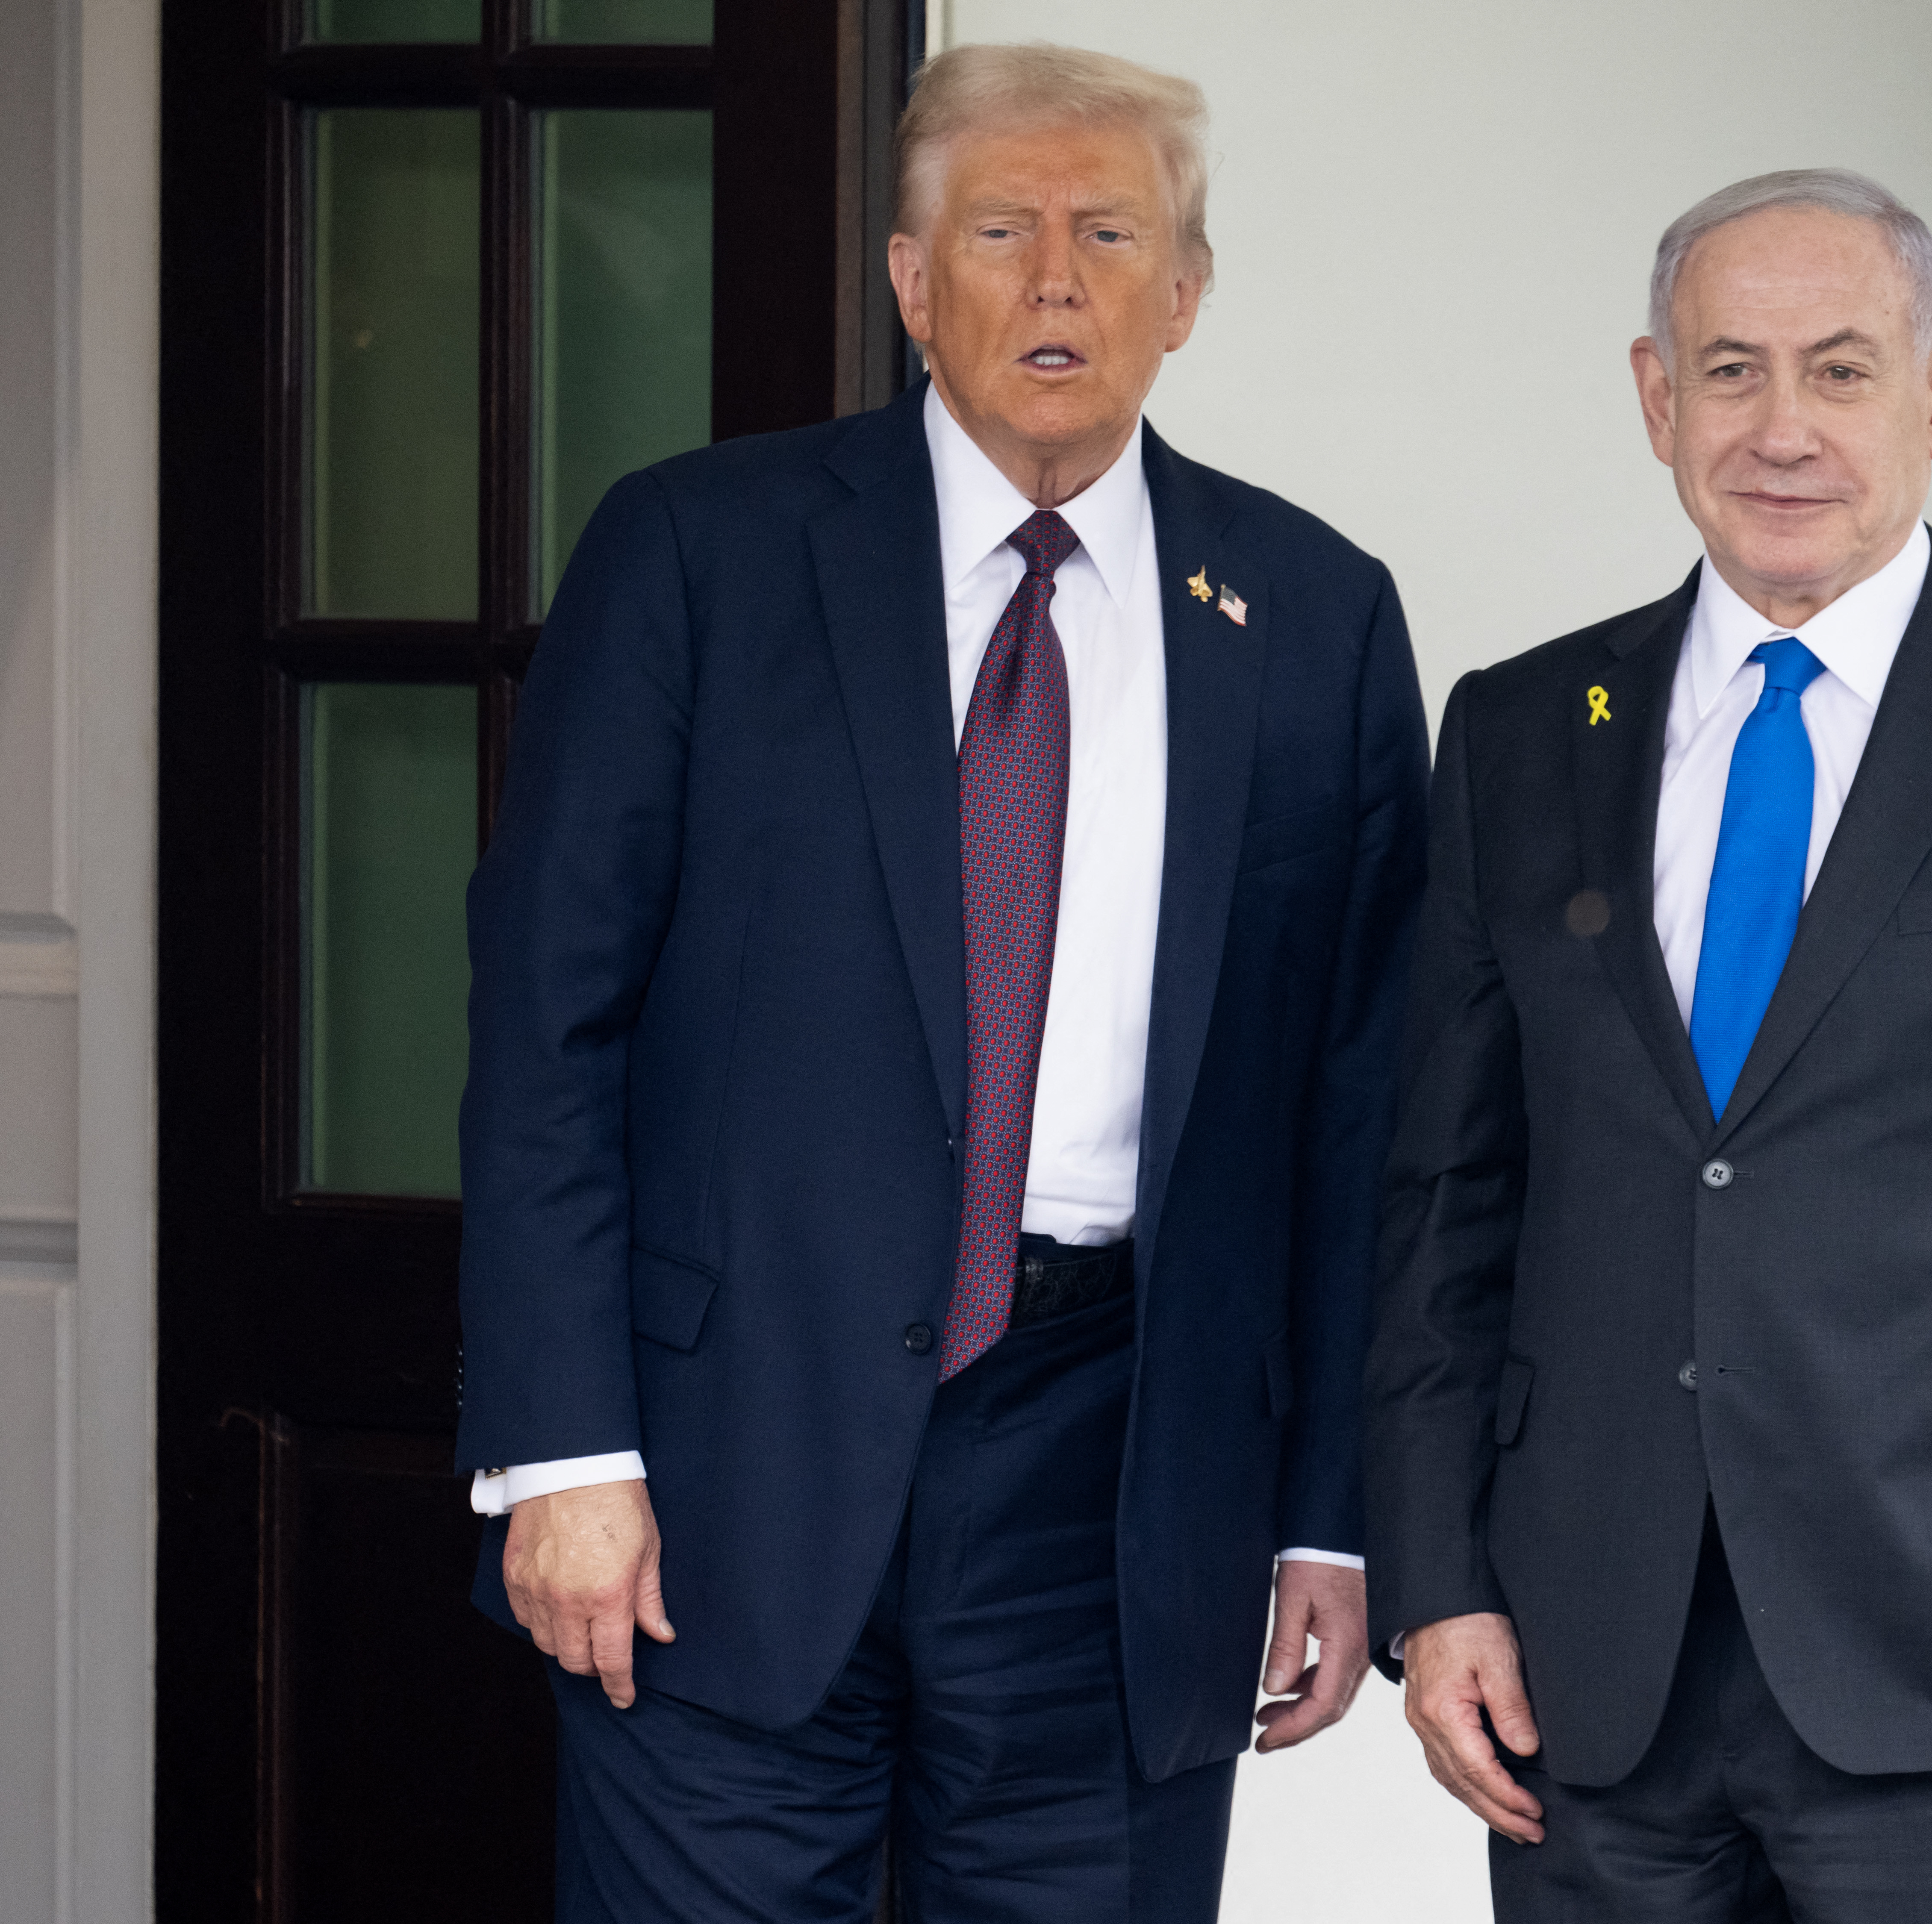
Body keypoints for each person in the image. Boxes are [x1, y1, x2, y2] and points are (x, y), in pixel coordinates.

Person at [454, 43, 1425, 1922]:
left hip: (1120, 1481)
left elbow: (1359, 1106)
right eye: (999, 229)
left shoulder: (1312, 617)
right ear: (912, 282)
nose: (1054, 279)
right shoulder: (695, 554)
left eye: (1108, 233)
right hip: (714, 1471)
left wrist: (1330, 1508)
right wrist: (562, 1445)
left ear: (1185, 292)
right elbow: (543, 1027)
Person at [1366, 168, 1932, 1921]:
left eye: (1840, 369)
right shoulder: (1518, 730)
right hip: (1587, 1669)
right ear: (1654, 400)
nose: (1778, 427)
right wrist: (1437, 1586)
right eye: (1726, 371)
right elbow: (1445, 1201)